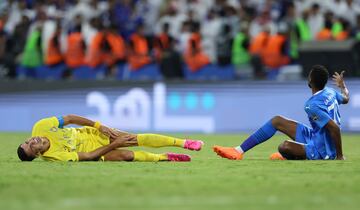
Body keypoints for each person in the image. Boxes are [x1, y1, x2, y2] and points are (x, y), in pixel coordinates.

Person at [213, 65, 349, 160]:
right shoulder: (331, 92)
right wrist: (342, 86)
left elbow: (334, 128)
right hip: (316, 137)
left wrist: (339, 156)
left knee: (284, 147)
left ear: (310, 81)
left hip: (322, 150)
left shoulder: (311, 105)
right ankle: (238, 150)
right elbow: (346, 98)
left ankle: (296, 156)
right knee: (277, 120)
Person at [17, 114, 204, 162]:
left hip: (96, 134)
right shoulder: (55, 157)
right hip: (96, 153)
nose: (32, 142)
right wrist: (115, 145)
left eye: (27, 141)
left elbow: (71, 118)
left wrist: (100, 126)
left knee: (135, 138)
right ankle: (166, 158)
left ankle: (185, 143)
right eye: (31, 148)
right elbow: (89, 156)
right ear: (38, 155)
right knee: (127, 156)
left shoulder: (40, 127)